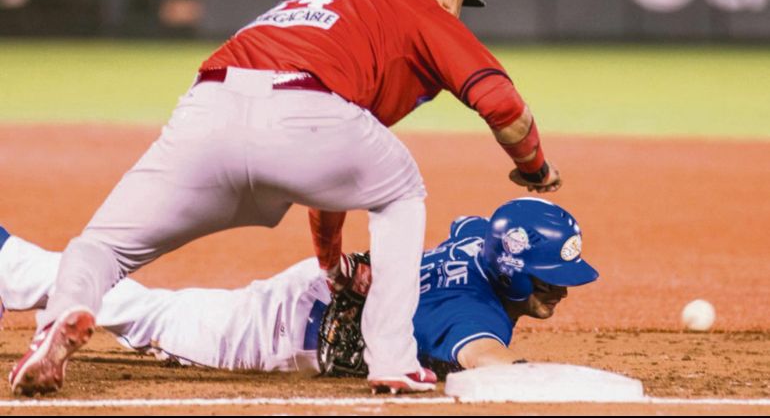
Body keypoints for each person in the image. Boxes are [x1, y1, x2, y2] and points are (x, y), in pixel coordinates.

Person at [10, 0, 561, 396]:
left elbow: (338, 173)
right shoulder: (423, 12)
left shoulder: (320, 5)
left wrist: (332, 264)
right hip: (306, 112)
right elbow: (502, 105)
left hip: (208, 108)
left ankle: (62, 315)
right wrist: (534, 168)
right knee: (401, 192)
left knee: (103, 246)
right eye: (461, 1)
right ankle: (392, 358)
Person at [1, 199, 594, 392]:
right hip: (281, 330)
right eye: (549, 278)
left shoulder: (476, 240)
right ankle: (8, 262)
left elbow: (470, 223)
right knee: (148, 314)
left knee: (150, 307)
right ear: (509, 270)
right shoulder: (469, 314)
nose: (562, 291)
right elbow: (496, 367)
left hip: (320, 296)